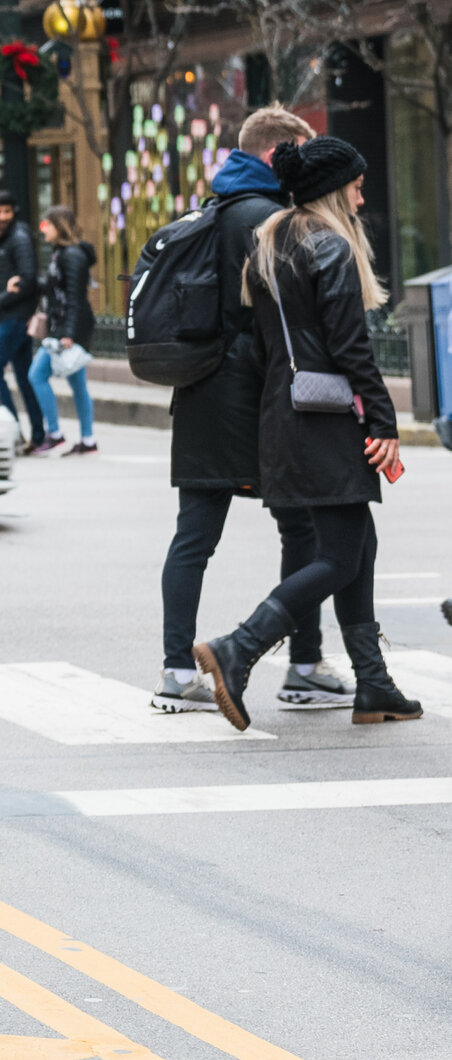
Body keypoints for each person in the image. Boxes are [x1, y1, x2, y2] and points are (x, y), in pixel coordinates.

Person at [193, 136, 422, 730]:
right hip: (326, 423)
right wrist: (383, 421)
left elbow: (266, 349)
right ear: (333, 192)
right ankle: (239, 646)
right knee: (341, 556)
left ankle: (373, 684)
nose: (362, 195)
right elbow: (351, 349)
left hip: (284, 417)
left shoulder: (269, 244)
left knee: (357, 545)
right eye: (356, 185)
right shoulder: (330, 248)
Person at [155, 107, 340, 715]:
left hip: (206, 394)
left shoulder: (219, 208)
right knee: (305, 529)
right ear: (274, 154)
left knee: (194, 537)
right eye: (298, 156)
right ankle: (304, 664)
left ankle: (178, 669)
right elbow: (288, 319)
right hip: (254, 397)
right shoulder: (266, 219)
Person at [29, 206, 98, 455]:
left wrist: (67, 334)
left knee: (36, 375)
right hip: (67, 326)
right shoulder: (62, 254)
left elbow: (75, 298)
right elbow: (56, 290)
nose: (44, 230)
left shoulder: (72, 256)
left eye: (47, 225)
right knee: (78, 383)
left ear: (59, 226)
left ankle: (55, 433)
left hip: (71, 329)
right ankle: (88, 441)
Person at [0, 191, 41, 448]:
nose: (3, 216)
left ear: (14, 211)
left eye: (7, 211)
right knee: (24, 377)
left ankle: (15, 433)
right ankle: (37, 437)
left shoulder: (18, 238)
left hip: (16, 316)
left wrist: (2, 299)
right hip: (9, 315)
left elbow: (27, 279)